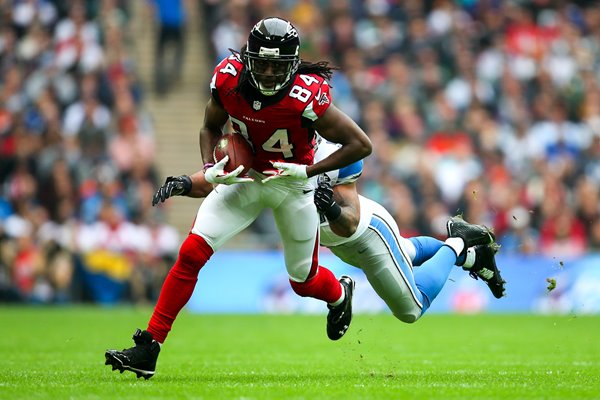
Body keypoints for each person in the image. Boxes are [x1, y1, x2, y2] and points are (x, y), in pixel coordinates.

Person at [105, 17, 372, 379]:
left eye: (275, 66)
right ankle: (148, 347)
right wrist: (208, 166)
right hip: (245, 178)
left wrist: (308, 171)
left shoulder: (306, 97)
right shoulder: (228, 78)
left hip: (292, 184)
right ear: (247, 59)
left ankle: (340, 295)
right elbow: (209, 126)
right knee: (190, 253)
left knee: (302, 280)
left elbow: (361, 144)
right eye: (259, 63)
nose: (265, 73)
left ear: (292, 66)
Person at [149, 139, 505, 327]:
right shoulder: (269, 148)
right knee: (408, 253)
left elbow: (348, 220)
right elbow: (224, 181)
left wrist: (329, 205)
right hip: (339, 244)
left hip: (364, 234)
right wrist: (185, 181)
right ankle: (472, 254)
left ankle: (457, 244)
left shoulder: (333, 155)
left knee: (409, 308)